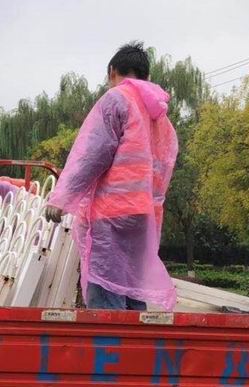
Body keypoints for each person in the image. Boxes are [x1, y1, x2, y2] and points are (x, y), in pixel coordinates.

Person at [44, 42, 178, 311]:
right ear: (146, 76)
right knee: (132, 286)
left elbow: (92, 154)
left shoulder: (117, 99)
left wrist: (62, 198)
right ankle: (134, 339)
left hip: (112, 212)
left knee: (107, 290)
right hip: (144, 215)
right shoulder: (160, 116)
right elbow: (164, 165)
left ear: (112, 71)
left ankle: (109, 339)